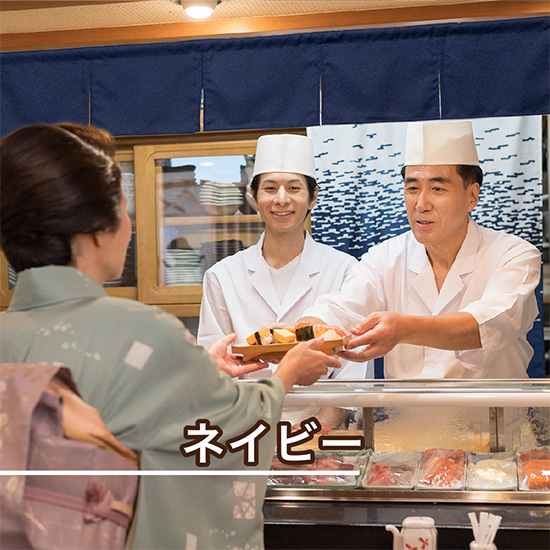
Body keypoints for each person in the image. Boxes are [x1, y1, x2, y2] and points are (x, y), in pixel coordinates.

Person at [0, 123, 341, 549]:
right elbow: (225, 429)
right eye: (124, 209)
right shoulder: (143, 333)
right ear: (95, 228)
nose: (129, 224)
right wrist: (285, 377)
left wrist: (199, 371)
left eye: (294, 188)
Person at [300, 120, 541, 379]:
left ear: (472, 196)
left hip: (493, 418)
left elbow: (489, 325)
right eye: (412, 188)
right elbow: (341, 310)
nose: (421, 204)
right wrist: (294, 335)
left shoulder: (514, 254)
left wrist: (403, 328)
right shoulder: (385, 257)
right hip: (405, 419)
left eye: (438, 189)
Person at [198, 133, 371, 381]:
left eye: (293, 188)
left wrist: (324, 421)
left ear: (313, 197)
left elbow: (352, 370)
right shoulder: (222, 276)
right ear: (254, 197)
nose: (281, 199)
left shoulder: (345, 270)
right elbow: (213, 368)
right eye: (269, 188)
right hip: (248, 415)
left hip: (320, 414)